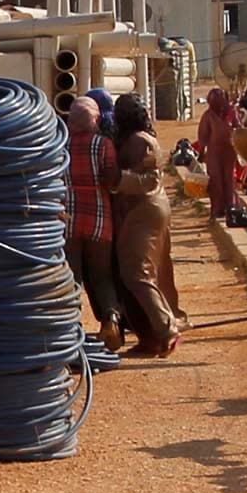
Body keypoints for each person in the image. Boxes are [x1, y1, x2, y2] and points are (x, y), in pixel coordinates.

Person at [107, 92, 183, 356]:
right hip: (141, 209)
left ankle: (166, 328)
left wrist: (118, 179)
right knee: (142, 273)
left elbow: (149, 180)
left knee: (137, 273)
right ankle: (150, 337)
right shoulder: (133, 139)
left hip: (145, 209)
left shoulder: (142, 141)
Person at [60, 95, 124, 350]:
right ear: (94, 118)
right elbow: (111, 180)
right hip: (99, 217)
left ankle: (71, 329)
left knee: (72, 277)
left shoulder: (62, 145)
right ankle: (111, 321)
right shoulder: (104, 144)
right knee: (101, 276)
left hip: (69, 220)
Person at [195, 84, 247, 221]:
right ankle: (217, 209)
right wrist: (201, 153)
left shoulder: (231, 112)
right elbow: (203, 136)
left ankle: (230, 207)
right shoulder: (208, 116)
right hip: (214, 152)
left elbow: (239, 128)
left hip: (229, 151)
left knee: (229, 179)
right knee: (216, 180)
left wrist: (238, 136)